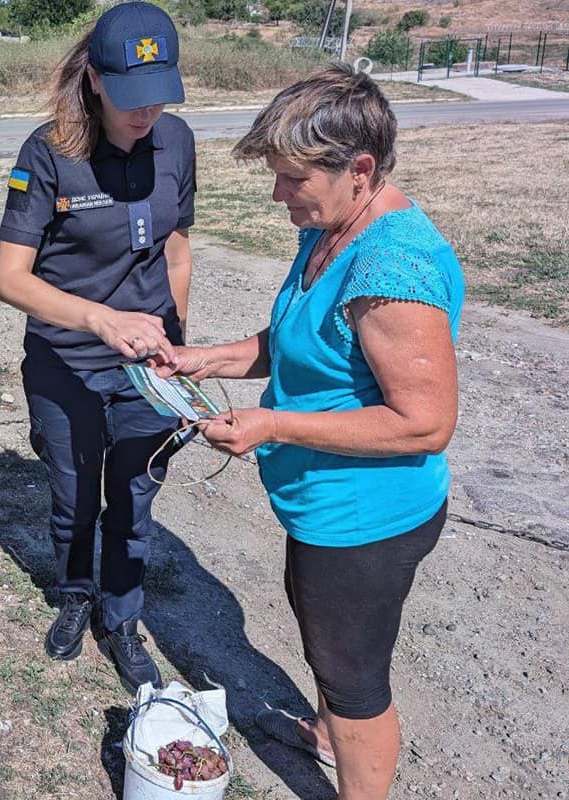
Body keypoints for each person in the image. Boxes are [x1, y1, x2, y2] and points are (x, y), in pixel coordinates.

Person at [156, 64, 463, 800]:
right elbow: (301, 337)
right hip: (325, 503)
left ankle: (348, 756)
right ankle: (325, 735)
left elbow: (425, 422)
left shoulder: (390, 266)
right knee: (327, 643)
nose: (277, 194)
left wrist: (269, 424)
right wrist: (212, 356)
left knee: (354, 679)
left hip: (364, 520)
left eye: (293, 178)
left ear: (359, 169)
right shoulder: (332, 225)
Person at [0, 1, 196, 694]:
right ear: (98, 81)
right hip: (67, 361)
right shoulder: (48, 153)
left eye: (160, 97)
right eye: (132, 98)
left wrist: (174, 341)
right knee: (74, 497)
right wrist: (101, 321)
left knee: (135, 501)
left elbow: (177, 246)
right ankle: (75, 593)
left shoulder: (179, 144)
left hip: (147, 368)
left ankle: (123, 617)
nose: (147, 114)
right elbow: (10, 279)